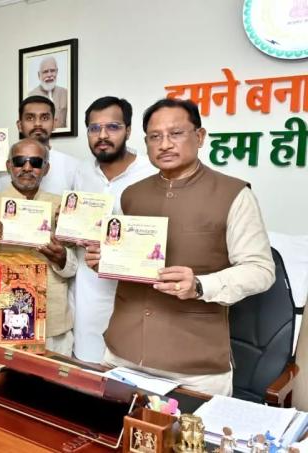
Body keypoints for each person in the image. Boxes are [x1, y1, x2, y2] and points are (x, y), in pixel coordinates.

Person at [85, 98, 275, 395]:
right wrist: (105, 259)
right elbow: (129, 259)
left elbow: (261, 270)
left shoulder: (233, 194)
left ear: (199, 137)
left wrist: (200, 285)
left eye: (175, 133)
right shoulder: (132, 195)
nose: (164, 144)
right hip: (122, 352)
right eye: (155, 136)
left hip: (194, 366)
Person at [68, 96, 157, 364]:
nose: (103, 135)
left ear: (128, 130)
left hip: (134, 297)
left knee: (128, 374)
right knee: (87, 368)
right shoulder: (82, 171)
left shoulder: (151, 172)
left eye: (113, 127)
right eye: (94, 128)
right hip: (87, 294)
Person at [0, 138, 77, 356]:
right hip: (5, 318)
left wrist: (61, 257)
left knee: (56, 379)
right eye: (20, 161)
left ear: (46, 168)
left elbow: (74, 267)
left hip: (53, 322)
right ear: (9, 165)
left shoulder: (62, 207)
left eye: (35, 162)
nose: (27, 168)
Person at [0, 96, 79, 194]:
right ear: (19, 125)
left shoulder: (74, 166)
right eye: (30, 118)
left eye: (45, 118)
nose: (37, 124)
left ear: (54, 124)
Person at [27, 57, 69, 128]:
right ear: (39, 75)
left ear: (57, 72)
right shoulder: (30, 96)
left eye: (52, 71)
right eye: (45, 72)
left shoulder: (66, 93)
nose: (49, 75)